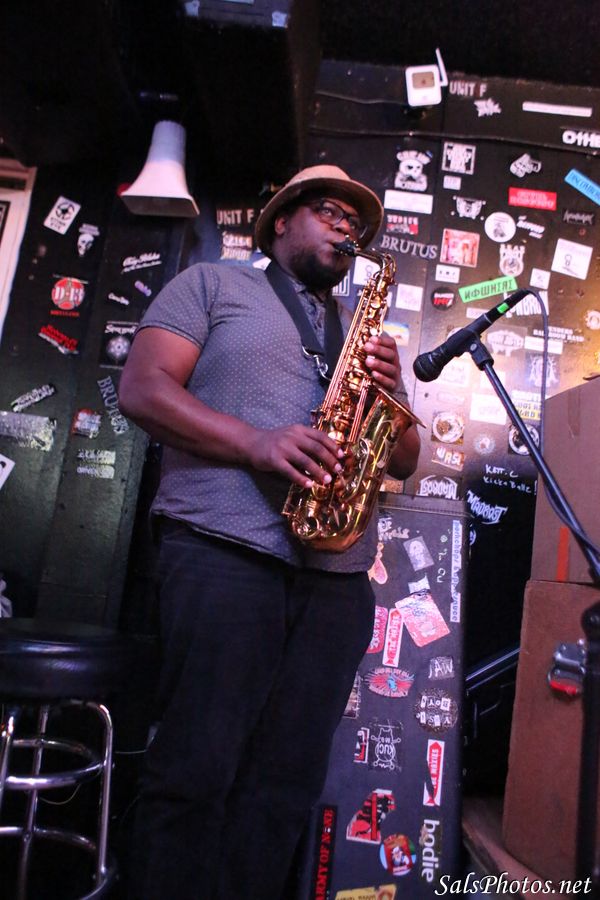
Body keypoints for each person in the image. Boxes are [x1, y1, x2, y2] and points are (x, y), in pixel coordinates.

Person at [118, 164, 421, 900]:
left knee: (284, 789)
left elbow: (406, 459)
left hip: (336, 581)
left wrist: (391, 390)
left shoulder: (364, 333)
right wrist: (255, 443)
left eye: (355, 224)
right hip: (225, 552)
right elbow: (142, 389)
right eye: (329, 213)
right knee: (194, 770)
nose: (345, 229)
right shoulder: (211, 284)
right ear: (281, 219)